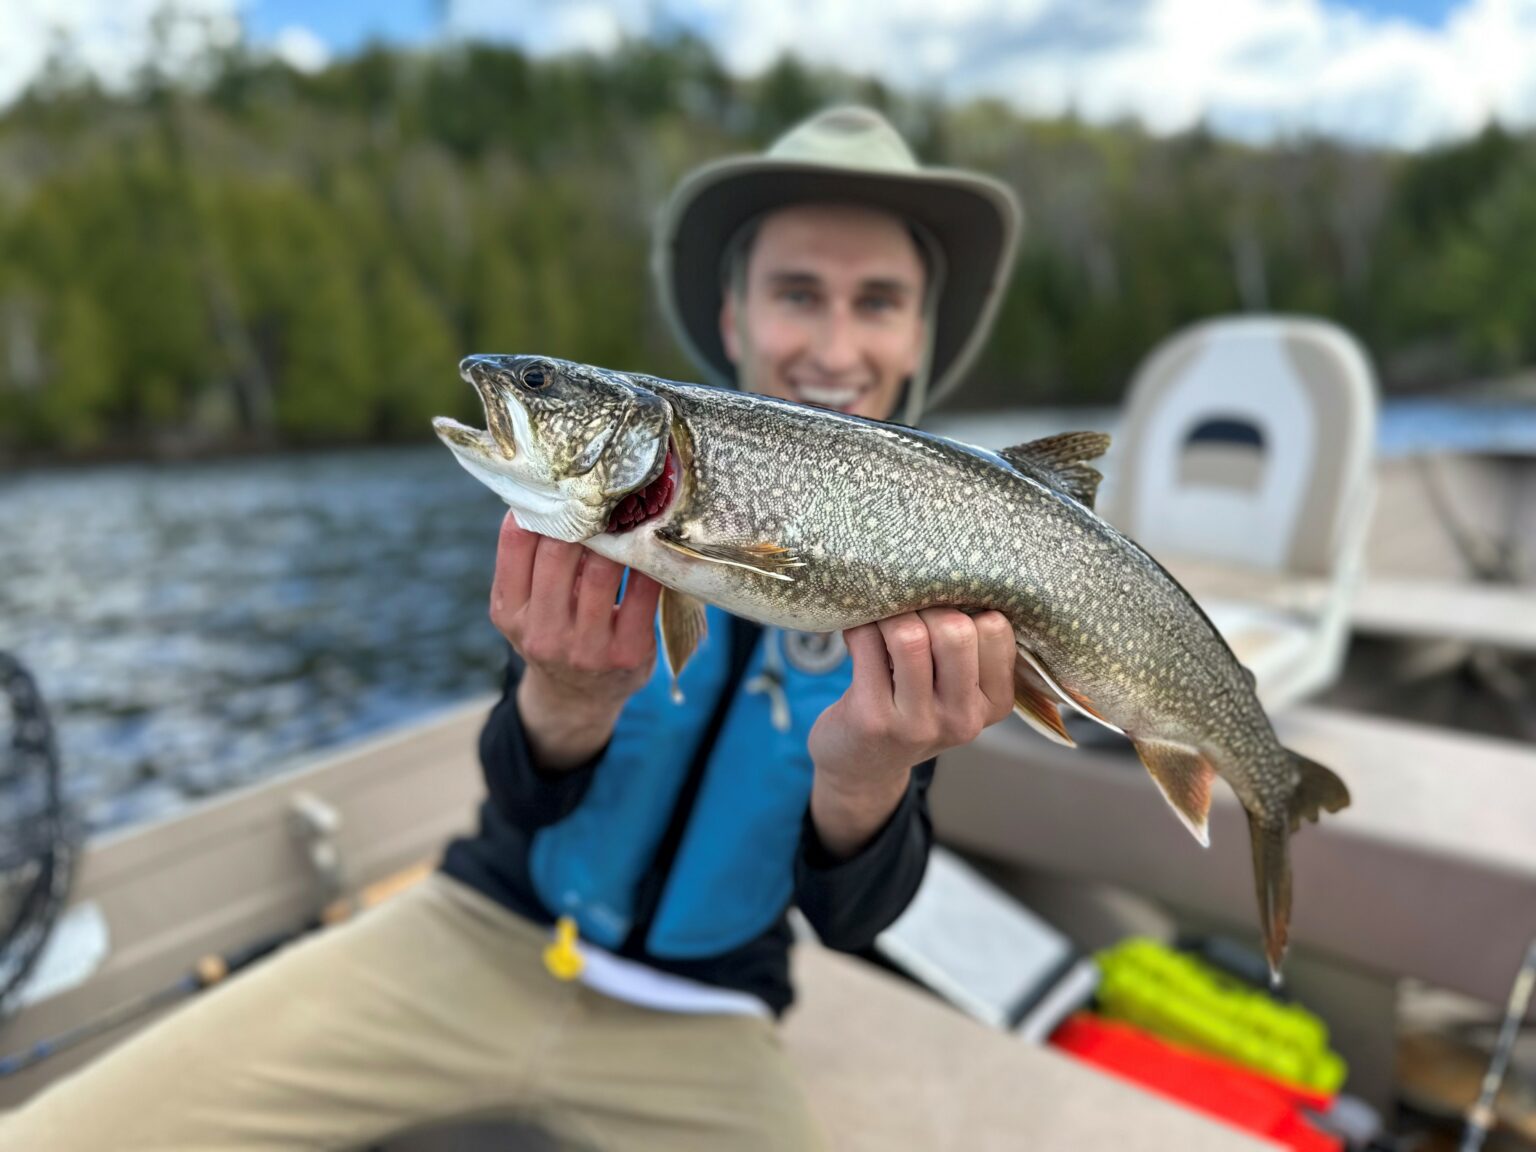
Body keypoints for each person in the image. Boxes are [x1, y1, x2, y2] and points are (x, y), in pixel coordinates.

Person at [2, 105, 1023, 1151]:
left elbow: (852, 921)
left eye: (879, 302)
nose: (838, 344)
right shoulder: (617, 496)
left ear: (918, 335)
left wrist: (867, 779)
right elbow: (519, 792)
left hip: (713, 1018)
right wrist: (565, 699)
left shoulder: (946, 562)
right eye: (799, 294)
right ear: (733, 318)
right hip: (478, 933)